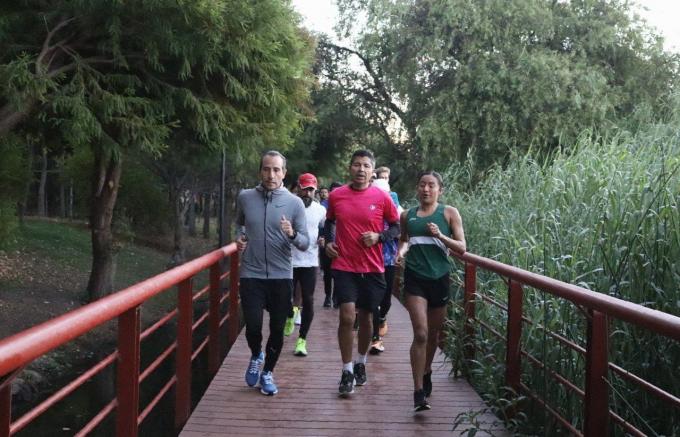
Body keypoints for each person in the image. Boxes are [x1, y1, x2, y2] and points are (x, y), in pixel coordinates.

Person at [324, 150, 400, 397]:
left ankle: (360, 362)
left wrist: (379, 236)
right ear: (350, 168)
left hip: (373, 267)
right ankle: (346, 371)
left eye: (366, 166)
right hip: (344, 265)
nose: (361, 169)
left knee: (367, 318)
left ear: (372, 171)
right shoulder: (337, 196)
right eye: (356, 165)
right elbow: (330, 222)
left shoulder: (382, 197)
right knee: (347, 317)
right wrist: (327, 242)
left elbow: (397, 227)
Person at [235, 150, 309, 396]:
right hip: (251, 273)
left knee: (277, 329)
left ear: (284, 173)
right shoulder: (245, 197)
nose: (271, 174)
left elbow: (305, 243)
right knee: (253, 326)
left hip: (280, 275)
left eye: (276, 170)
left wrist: (291, 234)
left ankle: (267, 372)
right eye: (266, 169)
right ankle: (257, 354)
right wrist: (240, 239)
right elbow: (240, 225)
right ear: (260, 171)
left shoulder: (295, 203)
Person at [396, 170, 466, 411]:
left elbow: (462, 247)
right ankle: (417, 392)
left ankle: (426, 370)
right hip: (415, 278)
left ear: (439, 190)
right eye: (422, 184)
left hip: (440, 278)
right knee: (422, 333)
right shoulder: (408, 215)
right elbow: (404, 239)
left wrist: (441, 237)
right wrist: (401, 252)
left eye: (431, 185)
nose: (426, 189)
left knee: (434, 335)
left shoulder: (449, 213)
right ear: (417, 188)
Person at [284, 173, 326, 357]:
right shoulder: (288, 207)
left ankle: (302, 340)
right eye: (304, 189)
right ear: (298, 188)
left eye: (311, 189)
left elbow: (325, 227)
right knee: (286, 297)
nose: (307, 193)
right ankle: (291, 313)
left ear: (315, 191)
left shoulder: (320, 210)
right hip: (289, 260)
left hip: (310, 261)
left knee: (308, 300)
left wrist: (324, 238)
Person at [368, 177, 402, 354]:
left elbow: (400, 232)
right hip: (370, 260)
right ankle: (375, 338)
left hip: (388, 258)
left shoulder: (395, 209)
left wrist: (382, 235)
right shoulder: (367, 208)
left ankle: (382, 318)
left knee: (386, 299)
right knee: (374, 299)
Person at [320, 181, 343, 308]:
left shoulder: (346, 204)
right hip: (327, 243)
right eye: (333, 191)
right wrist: (322, 238)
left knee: (339, 272)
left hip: (342, 245)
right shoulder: (323, 205)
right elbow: (320, 225)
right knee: (328, 272)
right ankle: (328, 296)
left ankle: (336, 296)